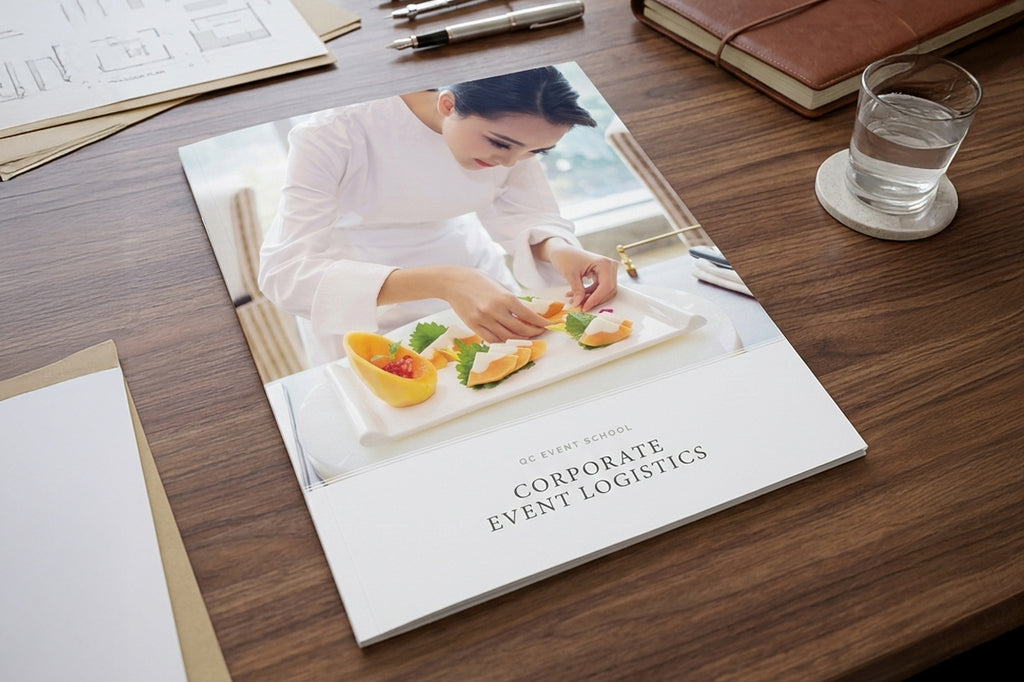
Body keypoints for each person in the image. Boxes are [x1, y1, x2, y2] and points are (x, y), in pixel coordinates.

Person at [259, 66, 619, 365]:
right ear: (448, 104)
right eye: (499, 144)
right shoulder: (332, 133)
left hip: (474, 273)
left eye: (536, 151)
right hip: (367, 294)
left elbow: (522, 211)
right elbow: (286, 274)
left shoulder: (514, 138)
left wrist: (558, 248)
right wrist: (446, 282)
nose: (509, 162)